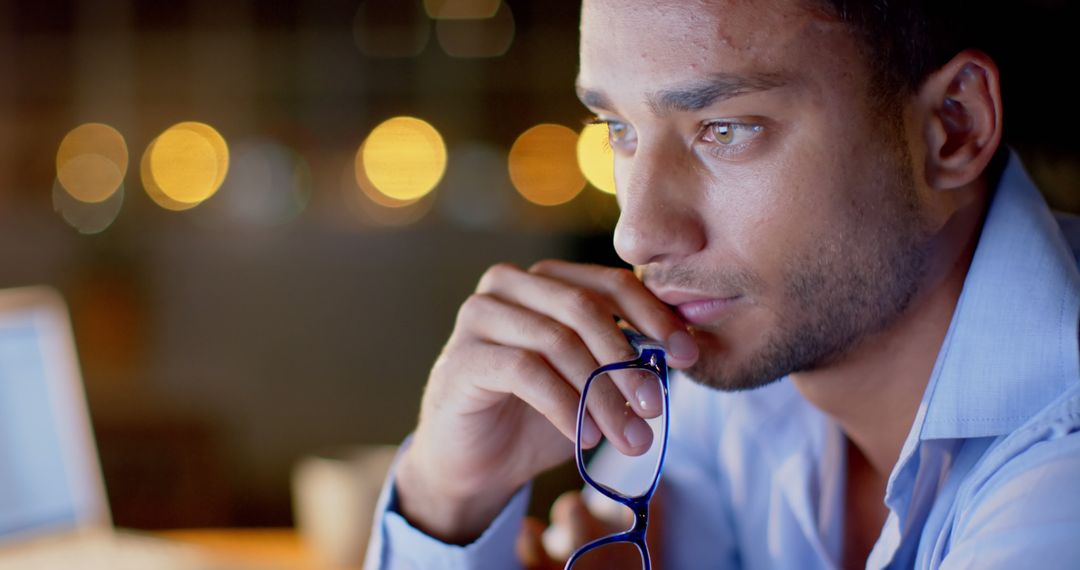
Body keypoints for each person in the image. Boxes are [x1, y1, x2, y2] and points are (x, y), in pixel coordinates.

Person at [364, 0, 1080, 567]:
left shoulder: (1062, 475)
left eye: (726, 129)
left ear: (951, 128)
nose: (636, 235)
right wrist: (447, 499)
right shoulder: (734, 381)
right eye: (618, 128)